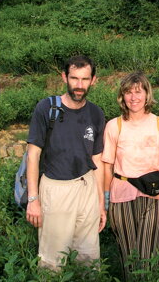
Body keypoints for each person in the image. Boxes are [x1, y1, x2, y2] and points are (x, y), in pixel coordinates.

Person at [101, 72, 159, 282]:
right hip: (121, 195)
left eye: (139, 91)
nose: (134, 96)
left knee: (149, 255)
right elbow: (107, 165)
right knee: (129, 257)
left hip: (154, 197)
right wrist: (104, 201)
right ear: (122, 96)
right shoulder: (114, 125)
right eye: (129, 91)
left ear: (147, 94)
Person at [25, 55, 106, 270]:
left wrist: (101, 202)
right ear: (64, 77)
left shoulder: (96, 113)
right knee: (52, 259)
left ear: (93, 80)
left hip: (87, 186)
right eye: (74, 78)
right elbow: (32, 155)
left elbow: (97, 160)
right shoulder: (46, 108)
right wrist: (33, 199)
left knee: (89, 257)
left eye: (85, 79)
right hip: (56, 188)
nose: (79, 86)